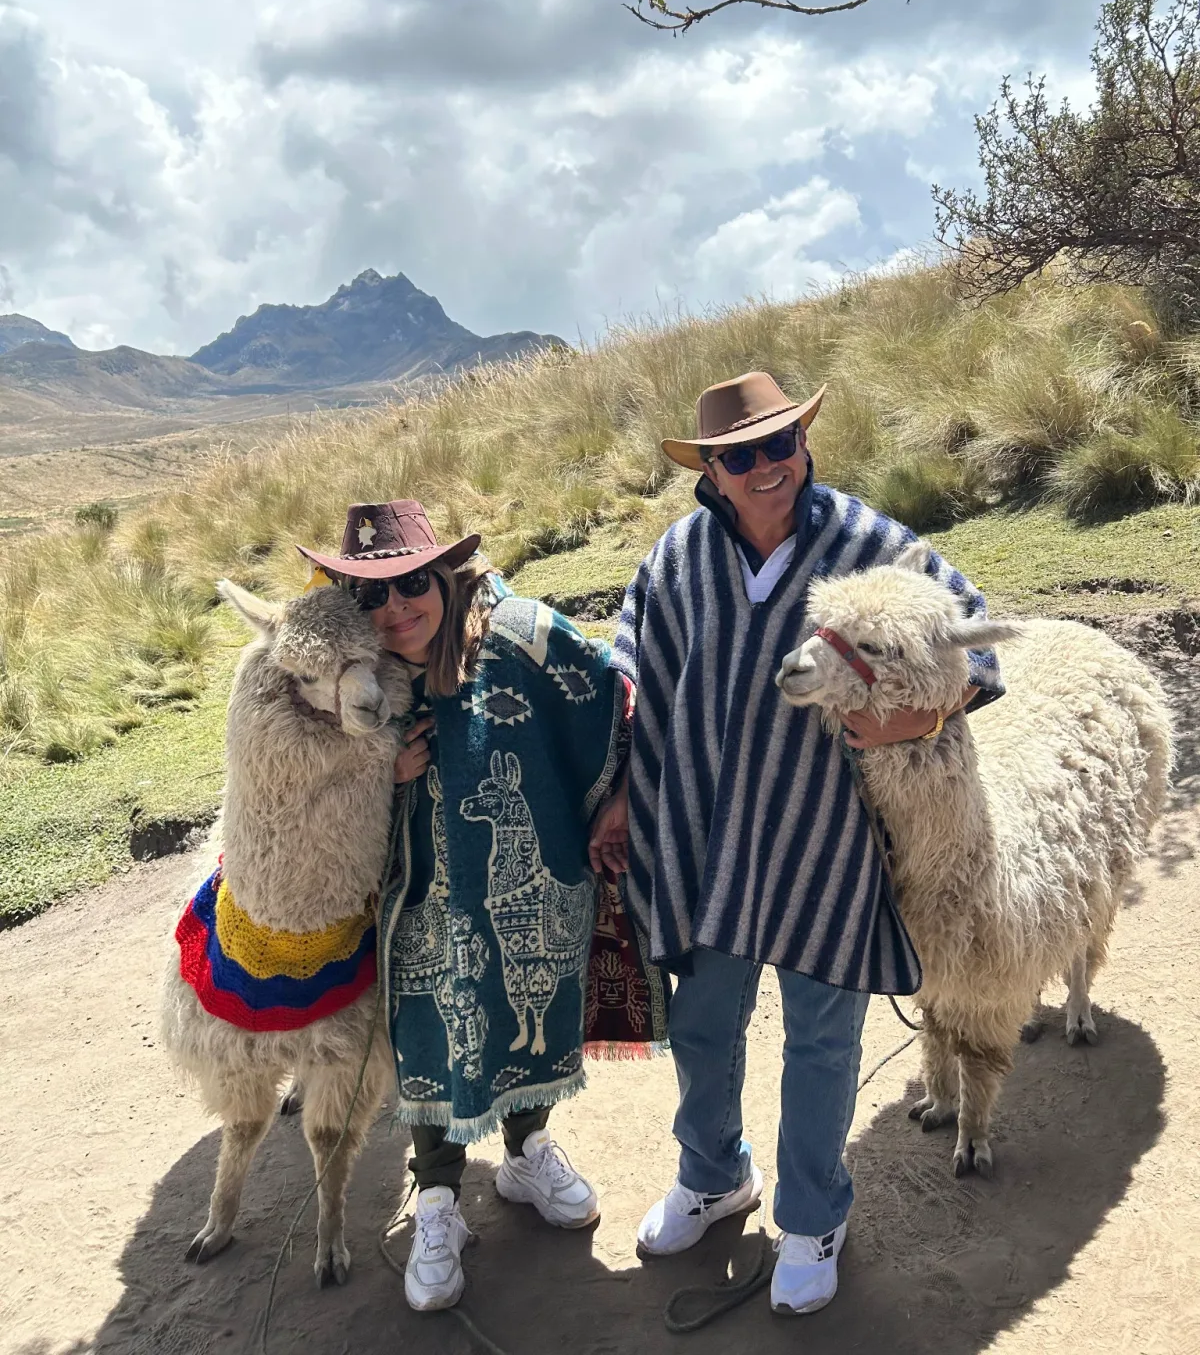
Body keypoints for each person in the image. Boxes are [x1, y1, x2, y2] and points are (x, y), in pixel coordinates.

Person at [605, 373, 1005, 1317]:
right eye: (739, 456)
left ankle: (814, 1214)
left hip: (826, 840)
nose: (765, 467)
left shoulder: (873, 546)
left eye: (778, 444)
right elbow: (633, 662)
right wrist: (620, 787)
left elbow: (976, 642)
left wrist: (916, 719)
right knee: (703, 1031)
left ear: (803, 442)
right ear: (710, 469)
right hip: (700, 832)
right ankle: (712, 1176)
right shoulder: (678, 558)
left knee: (821, 1041)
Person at [298, 500, 633, 1313]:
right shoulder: (358, 681)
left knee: (533, 1008)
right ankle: (439, 1197)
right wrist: (384, 775)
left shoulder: (522, 636)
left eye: (411, 582)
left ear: (444, 574)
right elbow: (308, 794)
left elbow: (612, 697)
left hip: (530, 884)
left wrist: (616, 797)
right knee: (431, 1027)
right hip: (422, 904)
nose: (395, 608)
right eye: (370, 596)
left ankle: (526, 1151)